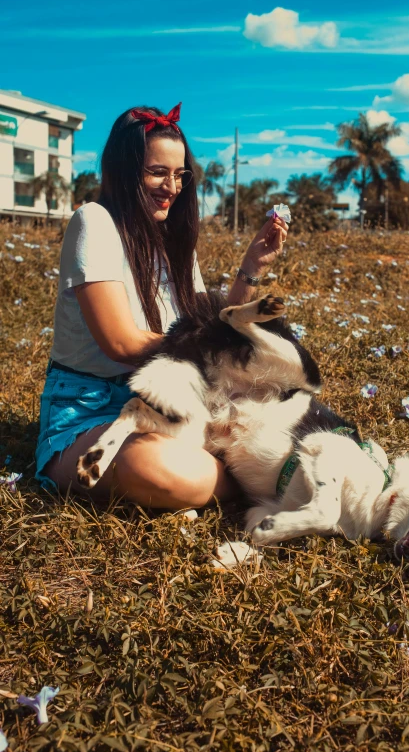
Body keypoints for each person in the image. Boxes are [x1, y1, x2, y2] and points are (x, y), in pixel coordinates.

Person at [35, 103, 288, 510]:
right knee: (167, 471)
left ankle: (259, 471)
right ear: (125, 169)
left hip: (171, 404)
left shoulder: (173, 245)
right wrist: (213, 353)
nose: (171, 186)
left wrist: (252, 266)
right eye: (157, 172)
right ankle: (261, 479)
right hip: (89, 411)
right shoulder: (94, 222)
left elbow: (209, 324)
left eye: (179, 175)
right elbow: (121, 344)